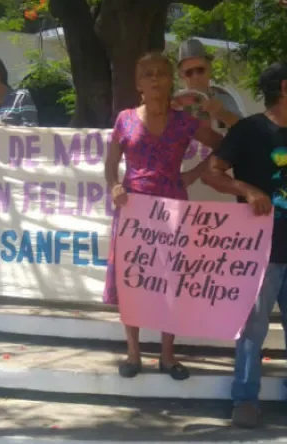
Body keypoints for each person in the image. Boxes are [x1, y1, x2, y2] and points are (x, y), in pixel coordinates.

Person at [202, 62, 287, 429]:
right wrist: (246, 189)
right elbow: (213, 173)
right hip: (257, 251)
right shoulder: (248, 130)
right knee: (252, 328)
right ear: (286, 87)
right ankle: (245, 400)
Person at [104, 51, 223, 381]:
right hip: (134, 208)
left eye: (161, 73)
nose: (155, 79)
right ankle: (133, 353)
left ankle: (167, 356)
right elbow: (111, 163)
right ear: (138, 84)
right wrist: (114, 186)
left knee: (171, 280)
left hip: (172, 204)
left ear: (171, 81)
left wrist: (195, 172)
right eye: (147, 75)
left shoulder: (185, 122)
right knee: (133, 280)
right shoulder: (125, 119)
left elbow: (223, 145)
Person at [173, 38, 243, 129]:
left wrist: (224, 114)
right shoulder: (174, 102)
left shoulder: (223, 98)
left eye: (200, 70)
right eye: (189, 72)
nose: (195, 76)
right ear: (181, 75)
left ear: (209, 69)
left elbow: (245, 130)